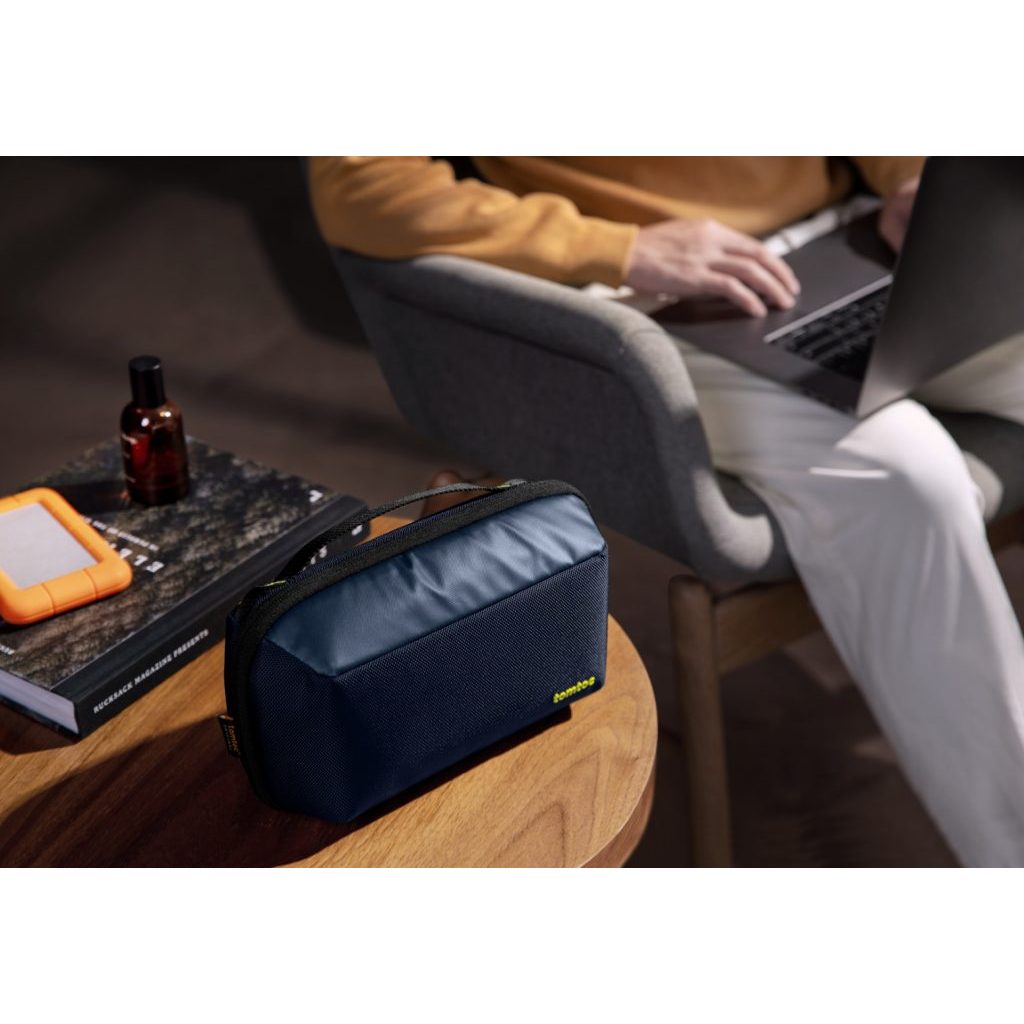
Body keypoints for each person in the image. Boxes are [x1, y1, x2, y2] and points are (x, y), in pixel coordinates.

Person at [308, 156, 1024, 867]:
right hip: (649, 298)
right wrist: (621, 247)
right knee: (908, 477)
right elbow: (359, 184)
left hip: (853, 237)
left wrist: (910, 176)